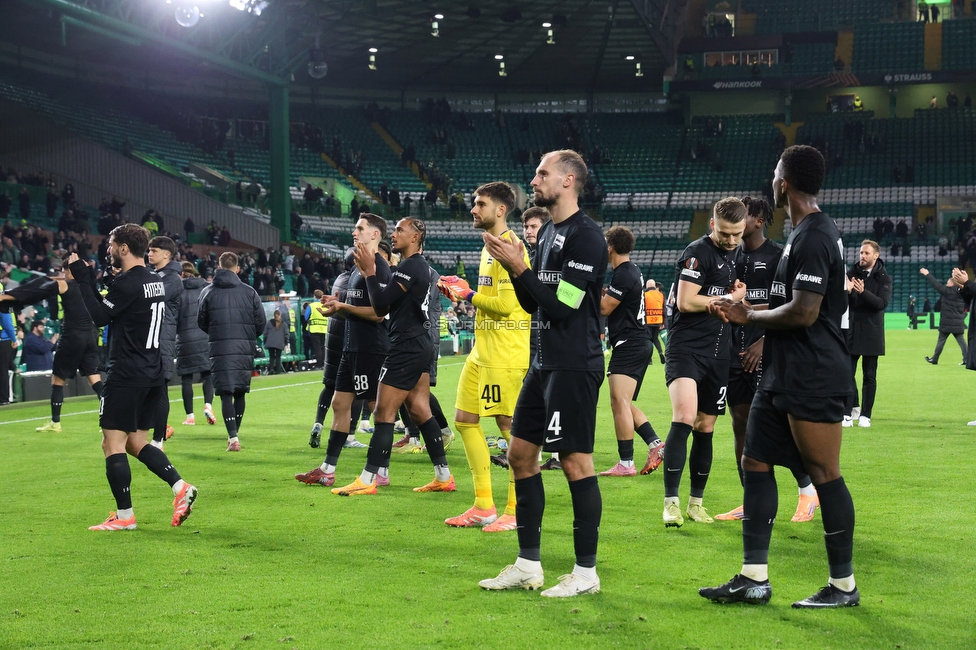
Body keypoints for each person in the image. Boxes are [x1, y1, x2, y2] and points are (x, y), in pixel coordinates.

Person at [701, 144, 859, 608]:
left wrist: (749, 316)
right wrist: (744, 308)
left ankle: (843, 586)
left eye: (775, 172)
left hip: (813, 373)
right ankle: (754, 577)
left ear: (784, 182)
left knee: (825, 473)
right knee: (755, 461)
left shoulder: (813, 235)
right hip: (783, 371)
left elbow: (807, 312)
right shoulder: (805, 232)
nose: (771, 178)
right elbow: (793, 305)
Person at [479, 149, 608, 598]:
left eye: (542, 173)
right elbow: (535, 302)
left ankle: (586, 573)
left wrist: (520, 267)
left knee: (575, 462)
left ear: (568, 180)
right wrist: (519, 271)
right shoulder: (550, 230)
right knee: (519, 456)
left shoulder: (587, 238)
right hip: (544, 362)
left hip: (574, 364)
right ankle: (528, 565)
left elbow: (564, 305)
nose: (534, 180)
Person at [65, 225, 197, 531]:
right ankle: (180, 488)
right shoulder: (156, 281)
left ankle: (124, 517)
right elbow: (114, 307)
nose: (109, 249)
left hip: (127, 372)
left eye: (112, 244)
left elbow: (99, 317)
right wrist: (92, 284)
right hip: (152, 371)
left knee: (112, 443)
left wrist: (83, 281)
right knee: (136, 442)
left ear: (124, 248)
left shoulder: (127, 284)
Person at [330, 217, 456, 496]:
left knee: (383, 412)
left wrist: (369, 273)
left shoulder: (411, 266)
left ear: (416, 236)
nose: (395, 233)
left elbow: (380, 305)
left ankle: (367, 479)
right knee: (421, 410)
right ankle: (444, 476)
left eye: (400, 229)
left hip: (405, 345)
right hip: (420, 344)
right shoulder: (415, 267)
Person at [713, 196, 819, 524]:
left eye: (746, 216)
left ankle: (807, 490)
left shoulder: (778, 257)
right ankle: (750, 501)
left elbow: (790, 308)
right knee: (740, 425)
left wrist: (763, 340)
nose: (739, 222)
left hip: (768, 354)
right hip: (732, 354)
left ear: (759, 221)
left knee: (781, 428)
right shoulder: (728, 256)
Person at [438, 182, 530, 533]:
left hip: (504, 354)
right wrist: (465, 289)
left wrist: (467, 294)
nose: (473, 209)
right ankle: (483, 505)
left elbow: (507, 306)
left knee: (510, 430)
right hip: (482, 351)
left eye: (480, 204)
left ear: (501, 210)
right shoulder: (488, 246)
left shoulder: (510, 247)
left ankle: (516, 508)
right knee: (464, 420)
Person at [660, 197, 747, 528]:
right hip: (686, 350)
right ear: (713, 225)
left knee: (706, 427)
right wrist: (732, 297)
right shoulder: (697, 252)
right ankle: (671, 503)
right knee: (683, 418)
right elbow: (685, 301)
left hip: (718, 353)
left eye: (736, 233)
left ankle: (696, 503)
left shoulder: (738, 255)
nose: (730, 240)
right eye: (725, 233)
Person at [294, 215, 392, 488]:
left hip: (370, 349)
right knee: (339, 404)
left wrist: (343, 308)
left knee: (378, 409)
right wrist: (336, 301)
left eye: (360, 228)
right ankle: (327, 469)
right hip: (351, 348)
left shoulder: (379, 268)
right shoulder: (355, 267)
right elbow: (358, 301)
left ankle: (381, 472)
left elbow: (379, 314)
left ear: (375, 235)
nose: (354, 232)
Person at [597, 226, 664, 477]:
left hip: (630, 342)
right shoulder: (632, 270)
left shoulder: (623, 274)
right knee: (622, 403)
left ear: (611, 247)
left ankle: (626, 463)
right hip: (637, 341)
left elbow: (605, 308)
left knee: (619, 402)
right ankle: (655, 444)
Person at [198, 252, 267, 452]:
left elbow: (201, 321)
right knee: (240, 391)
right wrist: (249, 336)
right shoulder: (249, 292)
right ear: (237, 269)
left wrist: (216, 332)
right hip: (244, 347)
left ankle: (233, 437)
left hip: (219, 347)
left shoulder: (207, 292)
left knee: (226, 392)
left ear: (219, 267)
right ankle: (234, 434)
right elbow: (260, 322)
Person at [35, 261, 104, 433]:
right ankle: (111, 419)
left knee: (57, 380)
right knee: (95, 379)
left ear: (68, 270)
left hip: (72, 337)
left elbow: (46, 283)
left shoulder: (66, 285)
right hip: (90, 336)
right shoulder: (88, 286)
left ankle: (55, 422)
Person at [304, 250, 362, 449]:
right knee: (356, 389)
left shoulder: (339, 278)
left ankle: (318, 423)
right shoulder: (357, 281)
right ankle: (350, 436)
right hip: (349, 338)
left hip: (333, 337)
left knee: (330, 385)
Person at [844, 240, 891, 428]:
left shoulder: (884, 278)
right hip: (852, 330)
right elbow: (842, 301)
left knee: (869, 375)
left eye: (866, 253)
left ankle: (866, 415)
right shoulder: (851, 274)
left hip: (872, 331)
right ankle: (847, 412)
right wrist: (846, 292)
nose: (862, 256)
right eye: (861, 252)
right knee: (847, 373)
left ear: (875, 256)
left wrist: (863, 293)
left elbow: (881, 304)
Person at [147, 236, 184, 449]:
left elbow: (153, 295)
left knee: (160, 388)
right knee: (149, 388)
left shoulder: (172, 279)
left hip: (163, 338)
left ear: (166, 254)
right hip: (152, 337)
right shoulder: (156, 274)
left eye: (154, 250)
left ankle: (158, 438)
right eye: (149, 250)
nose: (149, 254)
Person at [175, 261, 215, 427]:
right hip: (204, 336)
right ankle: (208, 405)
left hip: (184, 339)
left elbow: (173, 317)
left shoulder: (177, 291)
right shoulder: (205, 289)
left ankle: (190, 416)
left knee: (186, 378)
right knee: (207, 374)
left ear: (181, 274)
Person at [921, 267, 968, 365]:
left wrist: (927, 274)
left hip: (947, 322)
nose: (946, 284)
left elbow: (936, 285)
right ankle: (967, 359)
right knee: (962, 342)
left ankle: (935, 359)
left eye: (948, 282)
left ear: (952, 284)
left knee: (941, 341)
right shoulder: (961, 293)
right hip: (958, 322)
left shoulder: (947, 291)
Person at [643, 280, 666, 364]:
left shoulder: (645, 295)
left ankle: (649, 359)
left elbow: (643, 308)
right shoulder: (661, 295)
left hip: (648, 320)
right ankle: (660, 353)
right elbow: (664, 310)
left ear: (647, 286)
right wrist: (663, 322)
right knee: (655, 338)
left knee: (648, 339)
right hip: (658, 320)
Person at [307, 289, 328, 368]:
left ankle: (319, 364)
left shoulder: (312, 305)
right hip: (324, 329)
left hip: (314, 329)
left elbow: (306, 316)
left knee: (317, 347)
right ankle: (325, 364)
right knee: (323, 347)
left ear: (314, 296)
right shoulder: (325, 305)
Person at [263, 310, 286, 374]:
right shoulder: (283, 324)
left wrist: (265, 342)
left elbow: (265, 333)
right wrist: (286, 343)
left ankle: (271, 369)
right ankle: (278, 370)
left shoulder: (269, 323)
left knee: (271, 356)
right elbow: (286, 334)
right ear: (280, 315)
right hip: (279, 343)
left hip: (270, 343)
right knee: (278, 357)